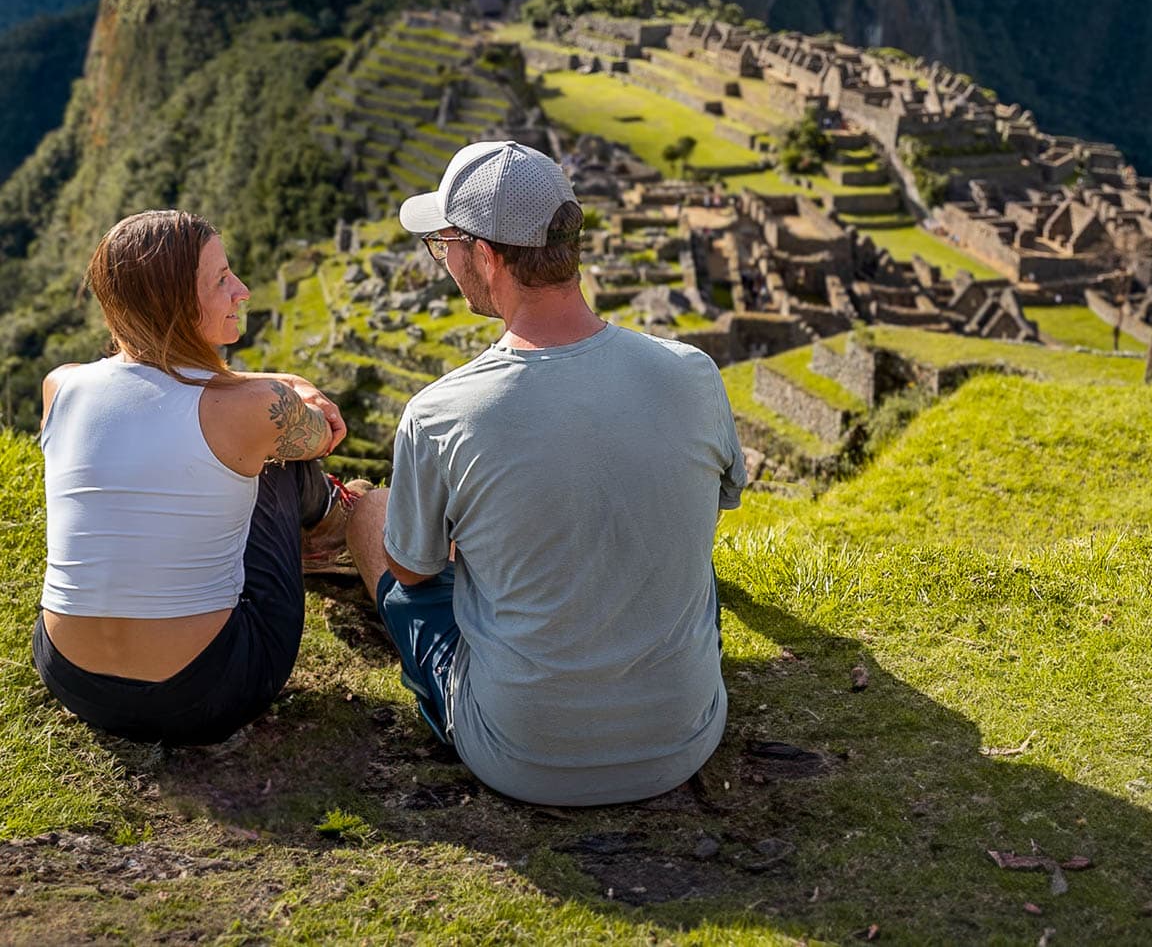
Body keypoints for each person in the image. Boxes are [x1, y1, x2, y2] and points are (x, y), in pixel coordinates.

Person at [347, 140, 747, 805]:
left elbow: (415, 574)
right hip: (687, 734)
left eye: (444, 242)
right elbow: (723, 494)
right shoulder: (692, 374)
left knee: (373, 513)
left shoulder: (440, 413)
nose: (443, 259)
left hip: (519, 754)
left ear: (487, 255)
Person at [34, 209, 363, 747]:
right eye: (221, 280)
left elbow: (156, 383)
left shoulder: (61, 386)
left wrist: (263, 382)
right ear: (176, 307)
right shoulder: (256, 407)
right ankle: (330, 527)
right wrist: (289, 383)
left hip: (73, 679)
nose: (243, 290)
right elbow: (323, 434)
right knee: (278, 464)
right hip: (210, 690)